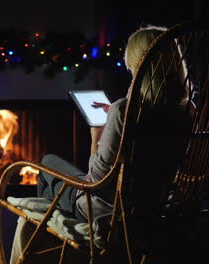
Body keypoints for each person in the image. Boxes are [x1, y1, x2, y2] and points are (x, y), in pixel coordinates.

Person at [10, 25, 191, 263]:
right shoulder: (182, 114)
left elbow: (95, 182)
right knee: (54, 168)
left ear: (138, 65)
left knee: (47, 162)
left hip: (108, 213)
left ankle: (63, 241)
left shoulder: (125, 110)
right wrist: (117, 121)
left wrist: (98, 134)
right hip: (151, 213)